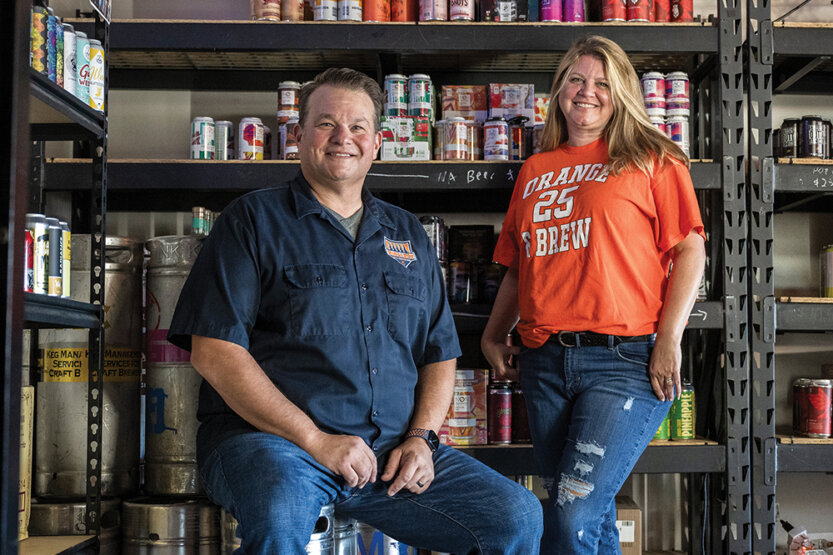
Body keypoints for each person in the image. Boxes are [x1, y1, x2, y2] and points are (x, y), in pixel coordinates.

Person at [167, 67, 543, 554]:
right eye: (326, 124)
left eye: (359, 126)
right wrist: (316, 440)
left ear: (379, 141)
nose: (343, 138)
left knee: (514, 516)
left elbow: (439, 352)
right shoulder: (251, 220)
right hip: (274, 446)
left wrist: (422, 438)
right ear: (299, 135)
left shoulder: (406, 233)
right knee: (281, 510)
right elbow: (214, 351)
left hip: (388, 454)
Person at [481, 36, 706, 554]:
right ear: (560, 89)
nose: (587, 92)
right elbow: (520, 264)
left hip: (625, 360)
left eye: (602, 83)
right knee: (587, 516)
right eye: (577, 80)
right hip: (544, 363)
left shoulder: (652, 157)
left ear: (621, 92)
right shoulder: (536, 170)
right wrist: (495, 334)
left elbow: (691, 250)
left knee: (570, 512)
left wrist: (669, 338)